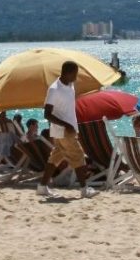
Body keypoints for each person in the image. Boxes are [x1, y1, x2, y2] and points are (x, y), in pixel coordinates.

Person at [36, 61, 97, 199]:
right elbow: (47, 114)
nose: (76, 77)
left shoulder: (70, 85)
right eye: (75, 74)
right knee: (79, 156)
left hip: (65, 130)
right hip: (63, 130)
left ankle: (42, 187)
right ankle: (84, 189)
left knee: (56, 157)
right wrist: (66, 125)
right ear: (67, 73)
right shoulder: (54, 89)